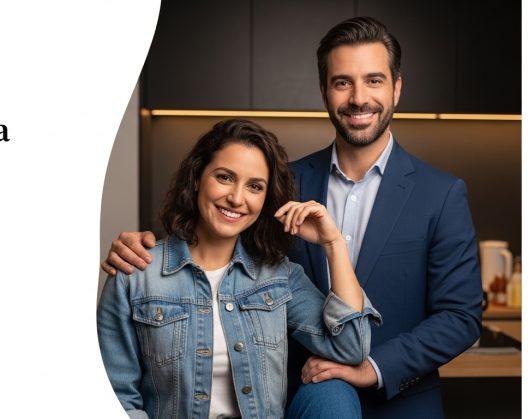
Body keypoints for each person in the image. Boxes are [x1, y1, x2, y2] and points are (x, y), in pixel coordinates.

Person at [102, 17, 482, 418]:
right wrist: (138, 253)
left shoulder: (440, 193)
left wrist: (372, 369)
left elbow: (461, 316)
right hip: (299, 399)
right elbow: (214, 248)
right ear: (324, 91)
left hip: (399, 403)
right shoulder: (278, 184)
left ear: (396, 88)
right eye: (342, 82)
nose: (358, 98)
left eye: (373, 80)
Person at [97, 119, 381, 419]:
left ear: (265, 199)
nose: (236, 198)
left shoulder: (278, 276)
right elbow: (117, 397)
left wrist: (333, 243)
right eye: (224, 177)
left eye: (254, 186)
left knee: (335, 395)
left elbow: (351, 347)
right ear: (197, 178)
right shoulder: (137, 274)